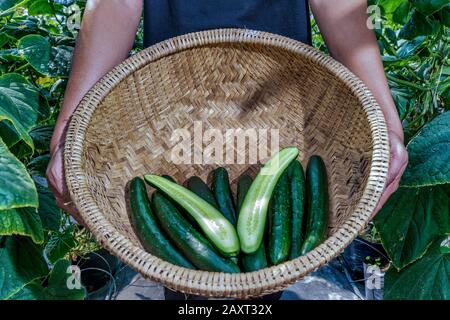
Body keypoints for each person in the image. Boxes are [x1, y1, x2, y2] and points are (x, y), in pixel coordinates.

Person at [46, 0, 408, 298]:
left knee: (263, 282)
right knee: (188, 278)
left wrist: (387, 124)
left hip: (283, 99)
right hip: (174, 105)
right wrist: (68, 131)